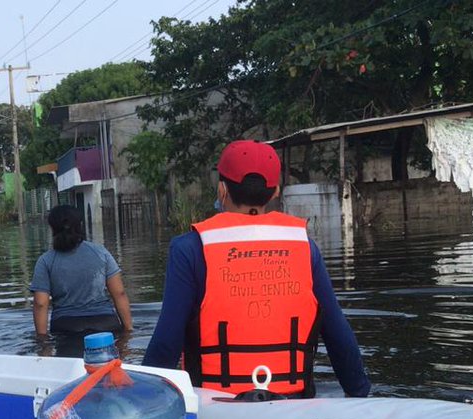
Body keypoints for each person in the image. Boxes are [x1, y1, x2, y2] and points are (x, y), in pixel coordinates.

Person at [143, 140, 369, 398]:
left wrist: (141, 402)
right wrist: (361, 396)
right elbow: (339, 337)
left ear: (221, 190)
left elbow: (165, 344)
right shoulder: (304, 248)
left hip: (216, 408)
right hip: (294, 406)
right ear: (275, 192)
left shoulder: (188, 249)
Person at [31, 204, 132, 339]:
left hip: (66, 327)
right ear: (80, 225)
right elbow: (119, 293)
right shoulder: (101, 252)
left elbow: (40, 303)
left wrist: (42, 342)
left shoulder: (45, 261)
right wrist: (128, 332)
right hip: (105, 324)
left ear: (52, 228)